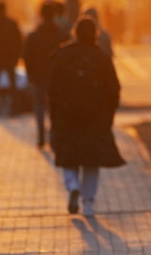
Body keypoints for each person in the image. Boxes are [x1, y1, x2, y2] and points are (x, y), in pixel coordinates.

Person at [48, 18, 124, 216]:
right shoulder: (101, 57)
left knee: (68, 158)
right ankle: (88, 202)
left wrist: (55, 114)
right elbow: (114, 89)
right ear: (95, 34)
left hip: (67, 116)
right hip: (95, 118)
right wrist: (108, 116)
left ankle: (73, 185)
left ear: (75, 33)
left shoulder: (62, 55)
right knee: (91, 161)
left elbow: (53, 88)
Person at [23, 3, 67, 147]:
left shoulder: (34, 36)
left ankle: (41, 136)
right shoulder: (61, 35)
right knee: (55, 107)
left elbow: (27, 57)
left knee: (39, 107)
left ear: (41, 15)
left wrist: (30, 75)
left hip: (38, 77)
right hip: (58, 79)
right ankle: (54, 137)